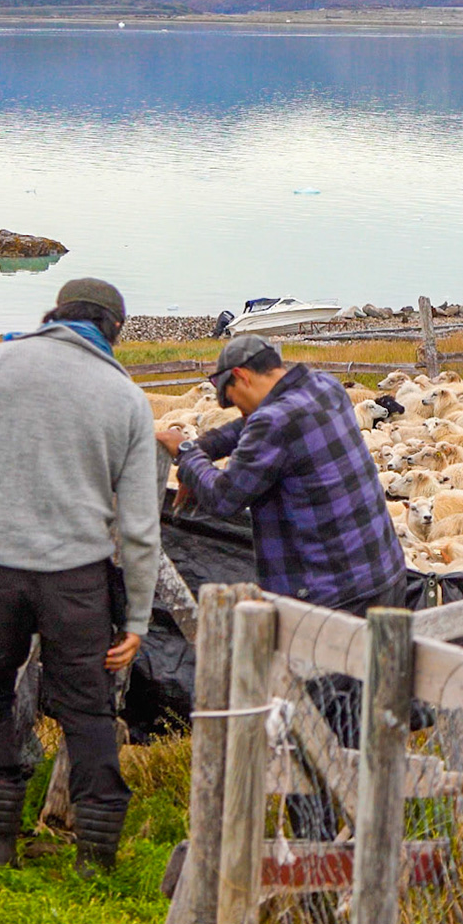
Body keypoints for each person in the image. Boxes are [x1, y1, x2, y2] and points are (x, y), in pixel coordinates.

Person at [0, 278, 160, 872]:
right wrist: (136, 617)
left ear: (54, 313)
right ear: (114, 330)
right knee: (87, 709)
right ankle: (96, 854)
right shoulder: (126, 396)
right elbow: (139, 526)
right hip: (76, 577)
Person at [156, 335, 407, 838]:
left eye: (233, 398)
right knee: (361, 710)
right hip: (380, 574)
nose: (236, 410)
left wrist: (185, 454)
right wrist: (207, 445)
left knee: (308, 722)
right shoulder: (321, 386)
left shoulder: (274, 421)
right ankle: (372, 822)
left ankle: (318, 846)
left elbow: (225, 498)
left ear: (241, 377)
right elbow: (251, 428)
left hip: (325, 593)